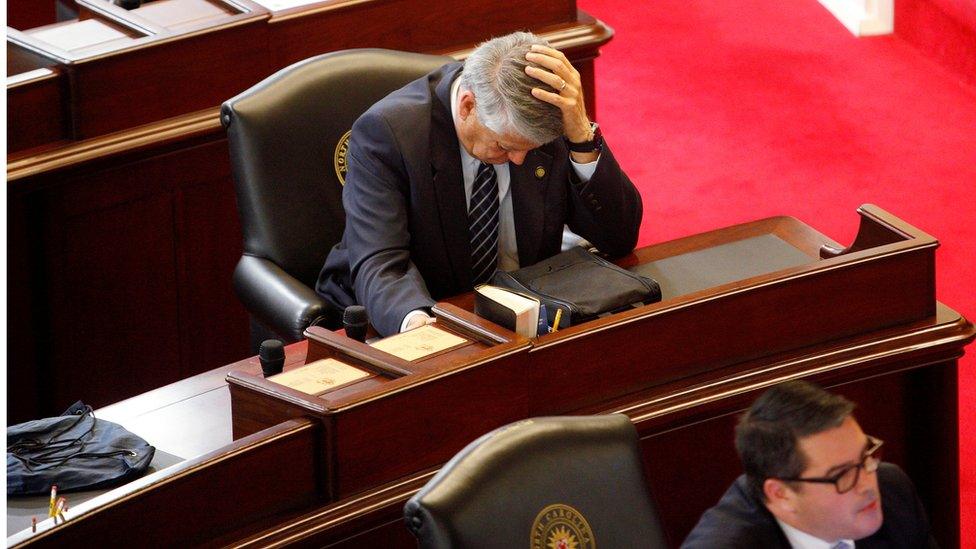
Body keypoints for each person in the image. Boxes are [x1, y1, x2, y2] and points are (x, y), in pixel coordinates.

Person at [315, 32, 642, 336]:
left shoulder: (539, 122)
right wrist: (417, 324)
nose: (518, 160)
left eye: (528, 149)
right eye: (504, 145)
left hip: (524, 312)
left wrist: (582, 136)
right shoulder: (388, 134)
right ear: (468, 105)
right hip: (422, 310)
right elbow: (381, 262)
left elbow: (619, 238)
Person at [682, 381, 937, 548]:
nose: (868, 484)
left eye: (865, 456)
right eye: (843, 474)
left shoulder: (893, 492)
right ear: (781, 495)